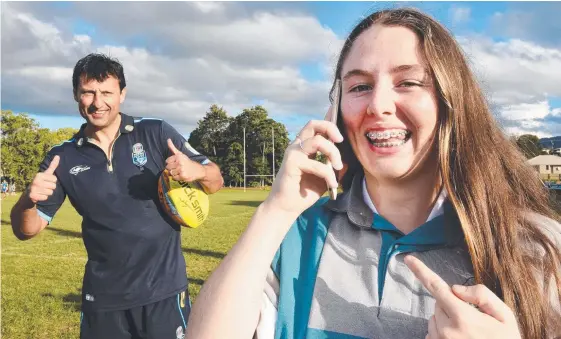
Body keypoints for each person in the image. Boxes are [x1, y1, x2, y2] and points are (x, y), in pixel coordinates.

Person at [185, 8, 561, 339]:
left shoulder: (538, 247)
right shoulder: (292, 236)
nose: (379, 105)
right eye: (360, 86)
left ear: (452, 101)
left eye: (408, 82)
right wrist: (275, 212)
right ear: (336, 110)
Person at [10, 53, 224, 339]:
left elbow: (215, 180)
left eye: (107, 92)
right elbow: (27, 229)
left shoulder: (155, 132)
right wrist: (28, 200)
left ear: (122, 94)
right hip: (103, 300)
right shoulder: (63, 156)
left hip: (163, 292)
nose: (98, 103)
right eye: (88, 92)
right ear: (76, 94)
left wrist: (196, 170)